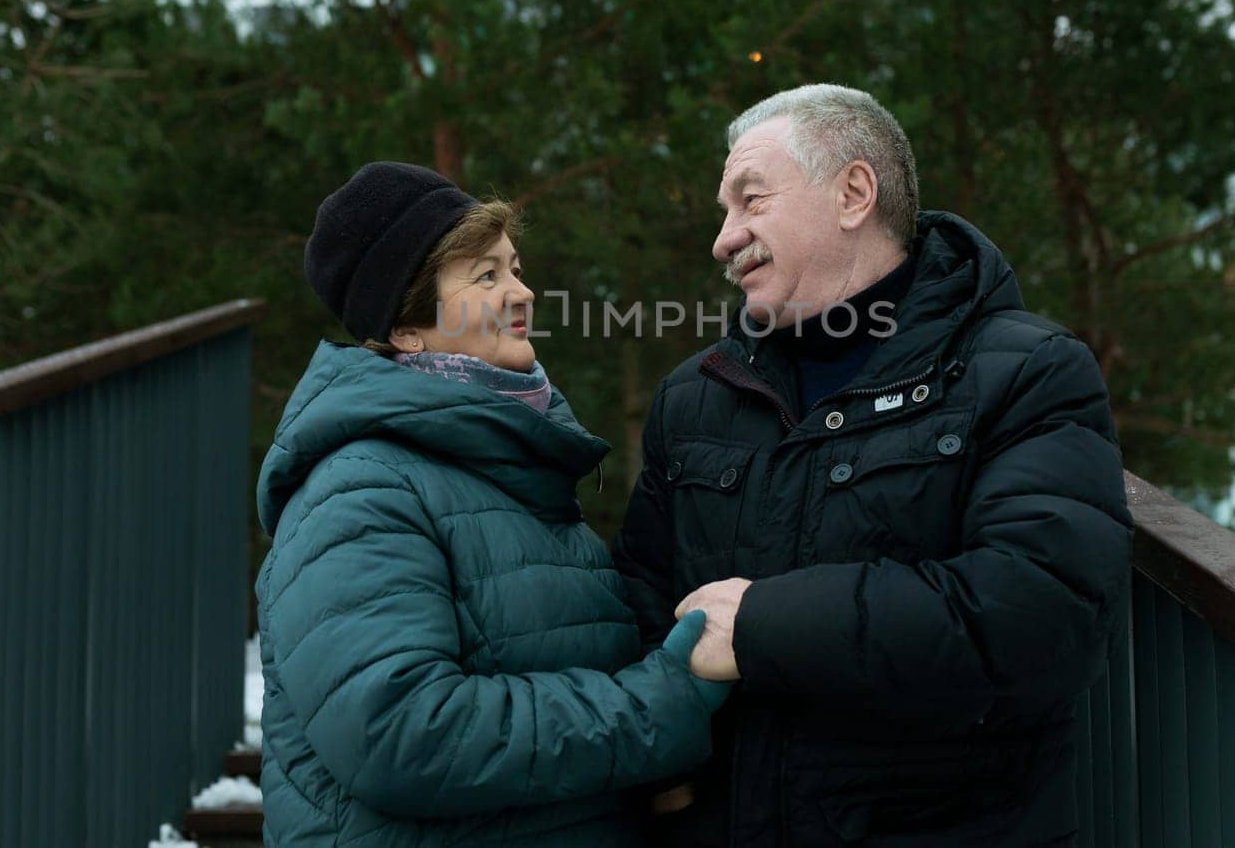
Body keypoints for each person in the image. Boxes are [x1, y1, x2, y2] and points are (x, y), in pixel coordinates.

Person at [612, 85, 1132, 846]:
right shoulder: (694, 398)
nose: (724, 239)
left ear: (854, 192)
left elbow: (1040, 616)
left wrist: (766, 625)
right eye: (724, 213)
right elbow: (637, 602)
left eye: (750, 201)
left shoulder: (1025, 372)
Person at [255, 162, 729, 848]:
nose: (523, 291)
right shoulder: (360, 487)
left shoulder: (510, 471)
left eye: (514, 267)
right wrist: (660, 706)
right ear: (407, 329)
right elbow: (401, 733)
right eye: (487, 276)